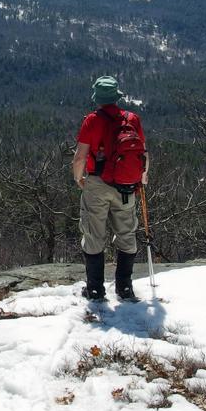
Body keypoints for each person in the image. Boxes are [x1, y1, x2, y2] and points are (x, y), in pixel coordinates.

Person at [71, 76, 148, 301]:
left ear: (98, 98)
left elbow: (80, 157)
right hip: (126, 185)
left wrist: (79, 179)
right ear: (117, 97)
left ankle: (95, 290)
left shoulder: (92, 121)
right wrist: (141, 177)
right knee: (126, 233)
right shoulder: (132, 118)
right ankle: (124, 288)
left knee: (94, 234)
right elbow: (143, 153)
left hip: (97, 183)